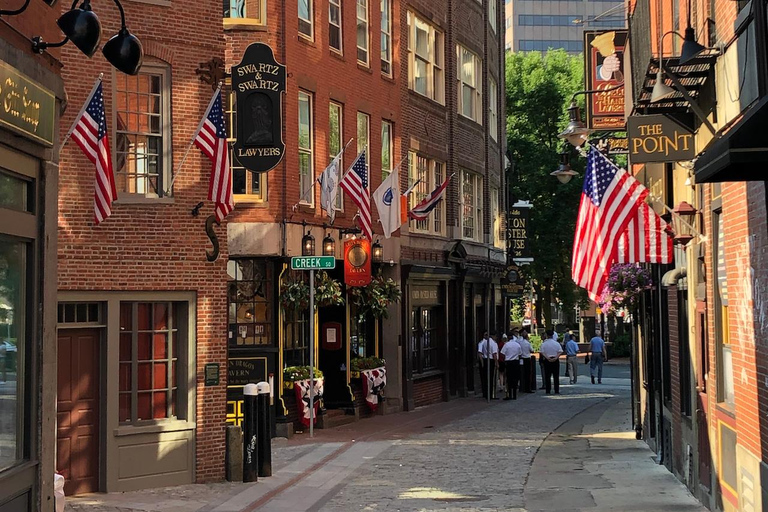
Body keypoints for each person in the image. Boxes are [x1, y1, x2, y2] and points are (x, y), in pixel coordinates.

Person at [539, 330, 563, 394]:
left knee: (547, 376)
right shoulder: (556, 343)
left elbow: (542, 352)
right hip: (555, 359)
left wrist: (547, 357)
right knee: (556, 376)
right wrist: (556, 357)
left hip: (547, 360)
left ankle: (548, 390)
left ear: (547, 335)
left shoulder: (544, 344)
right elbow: (560, 351)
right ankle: (556, 390)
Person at [477, 331, 499, 399]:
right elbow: (494, 354)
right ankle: (491, 394)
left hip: (486, 360)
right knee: (491, 378)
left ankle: (486, 393)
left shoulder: (485, 342)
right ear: (494, 336)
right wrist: (497, 363)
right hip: (491, 360)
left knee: (486, 377)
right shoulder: (493, 343)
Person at [500, 333, 522, 400]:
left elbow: (502, 353)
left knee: (509, 379)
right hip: (516, 362)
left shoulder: (506, 345)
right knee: (515, 378)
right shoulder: (517, 345)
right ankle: (515, 395)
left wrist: (506, 357)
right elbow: (520, 354)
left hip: (509, 362)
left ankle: (509, 394)